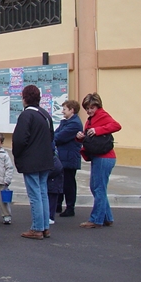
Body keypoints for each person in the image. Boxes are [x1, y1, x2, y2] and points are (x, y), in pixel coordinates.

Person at [12, 84, 54, 240]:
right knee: (43, 193)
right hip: (45, 159)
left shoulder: (26, 115)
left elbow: (20, 139)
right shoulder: (45, 115)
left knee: (35, 194)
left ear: (24, 98)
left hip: (31, 161)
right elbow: (51, 137)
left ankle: (37, 228)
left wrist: (17, 155)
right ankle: (45, 227)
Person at [76, 92, 122, 228]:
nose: (89, 110)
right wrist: (80, 136)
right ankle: (107, 217)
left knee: (98, 188)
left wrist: (98, 130)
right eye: (87, 108)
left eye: (92, 107)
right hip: (99, 156)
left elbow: (116, 126)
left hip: (104, 157)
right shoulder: (91, 119)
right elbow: (89, 137)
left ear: (97, 106)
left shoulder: (102, 115)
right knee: (97, 188)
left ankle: (96, 219)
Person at [54, 100, 83, 217]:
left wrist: (50, 138)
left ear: (72, 110)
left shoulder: (75, 124)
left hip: (69, 157)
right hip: (63, 157)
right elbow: (56, 134)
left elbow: (59, 137)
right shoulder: (65, 122)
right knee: (60, 181)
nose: (62, 111)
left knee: (69, 183)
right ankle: (58, 204)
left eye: (65, 109)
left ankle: (70, 207)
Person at [47, 145, 64, 225]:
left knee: (52, 201)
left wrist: (46, 175)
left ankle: (50, 216)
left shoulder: (54, 158)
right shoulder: (52, 158)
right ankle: (49, 216)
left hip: (54, 183)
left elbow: (57, 168)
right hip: (52, 183)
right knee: (49, 200)